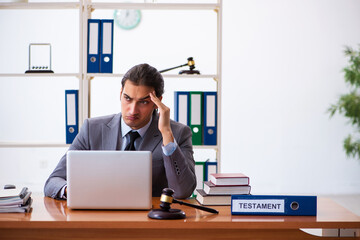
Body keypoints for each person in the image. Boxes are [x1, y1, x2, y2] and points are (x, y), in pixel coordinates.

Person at [44, 63, 196, 199]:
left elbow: (182, 191)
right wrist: (70, 191)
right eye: (127, 98)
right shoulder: (92, 129)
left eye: (143, 102)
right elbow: (53, 181)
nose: (133, 110)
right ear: (120, 94)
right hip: (100, 218)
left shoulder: (178, 133)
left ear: (157, 102)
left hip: (151, 222)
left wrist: (166, 135)